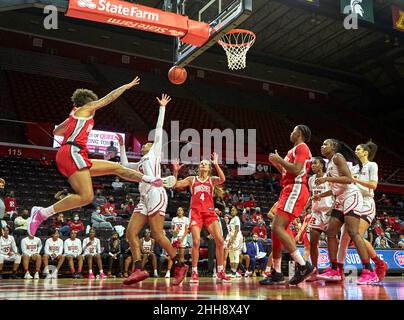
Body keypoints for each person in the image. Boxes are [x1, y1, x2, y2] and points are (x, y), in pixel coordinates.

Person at [27, 76, 163, 237]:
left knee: (117, 168)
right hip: (72, 152)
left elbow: (56, 132)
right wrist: (126, 86)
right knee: (87, 196)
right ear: (88, 103)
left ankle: (149, 179)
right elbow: (108, 98)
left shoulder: (75, 114)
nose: (95, 107)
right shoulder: (87, 108)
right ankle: (42, 213)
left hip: (74, 153)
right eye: (93, 104)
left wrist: (72, 124)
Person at [118, 94, 187, 286]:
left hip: (157, 194)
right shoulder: (140, 162)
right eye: (145, 144)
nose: (145, 144)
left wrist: (162, 108)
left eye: (148, 143)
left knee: (157, 234)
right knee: (131, 232)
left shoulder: (154, 153)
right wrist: (122, 145)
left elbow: (158, 129)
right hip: (144, 198)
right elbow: (123, 165)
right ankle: (139, 268)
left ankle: (180, 265)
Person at [314, 139, 378, 284]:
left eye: (326, 144)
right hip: (340, 198)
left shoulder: (337, 157)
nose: (322, 146)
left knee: (353, 232)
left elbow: (348, 179)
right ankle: (335, 269)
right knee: (330, 232)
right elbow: (336, 187)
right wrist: (321, 195)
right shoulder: (330, 162)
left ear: (334, 147)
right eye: (322, 143)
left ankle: (369, 270)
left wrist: (326, 178)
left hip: (351, 196)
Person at [260, 125, 314, 286]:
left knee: (277, 228)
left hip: (296, 188)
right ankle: (276, 272)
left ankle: (303, 266)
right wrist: (278, 164)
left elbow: (297, 170)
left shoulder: (302, 147)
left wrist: (279, 160)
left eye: (293, 130)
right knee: (276, 231)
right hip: (289, 189)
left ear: (300, 133)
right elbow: (287, 171)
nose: (291, 132)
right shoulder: (294, 150)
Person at [172, 152, 231, 283]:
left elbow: (223, 179)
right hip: (196, 213)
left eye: (205, 163)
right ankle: (194, 271)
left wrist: (216, 163)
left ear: (209, 168)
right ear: (199, 168)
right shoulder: (191, 179)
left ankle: (221, 270)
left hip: (209, 213)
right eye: (201, 163)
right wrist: (175, 172)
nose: (203, 164)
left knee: (220, 241)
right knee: (196, 242)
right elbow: (175, 185)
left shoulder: (211, 180)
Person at [336, 141, 388, 281]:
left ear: (365, 152)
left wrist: (355, 180)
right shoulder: (354, 167)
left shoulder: (372, 165)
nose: (355, 151)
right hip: (353, 202)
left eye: (358, 149)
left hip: (366, 202)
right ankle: (338, 270)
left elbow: (373, 185)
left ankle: (378, 264)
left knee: (357, 234)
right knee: (345, 238)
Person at [306, 157, 334, 282]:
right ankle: (314, 270)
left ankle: (334, 268)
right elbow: (311, 196)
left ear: (322, 165)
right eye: (312, 164)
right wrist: (305, 207)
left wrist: (333, 208)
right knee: (313, 242)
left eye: (315, 163)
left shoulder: (329, 177)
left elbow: (335, 192)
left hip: (328, 212)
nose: (312, 165)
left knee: (331, 241)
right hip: (316, 212)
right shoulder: (311, 179)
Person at [165, 207, 189, 278]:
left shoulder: (186, 219)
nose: (179, 211)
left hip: (182, 237)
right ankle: (168, 271)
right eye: (178, 210)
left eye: (181, 210)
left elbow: (186, 230)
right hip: (175, 237)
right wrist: (174, 232)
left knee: (181, 255)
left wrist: (182, 238)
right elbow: (172, 229)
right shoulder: (174, 219)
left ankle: (181, 273)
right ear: (177, 212)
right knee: (172, 255)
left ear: (183, 212)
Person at [224, 206, 243, 278]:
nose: (232, 212)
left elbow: (237, 230)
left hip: (237, 238)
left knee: (235, 255)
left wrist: (233, 239)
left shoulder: (237, 219)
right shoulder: (232, 219)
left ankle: (234, 272)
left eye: (233, 210)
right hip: (232, 238)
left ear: (236, 212)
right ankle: (232, 271)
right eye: (231, 210)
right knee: (231, 255)